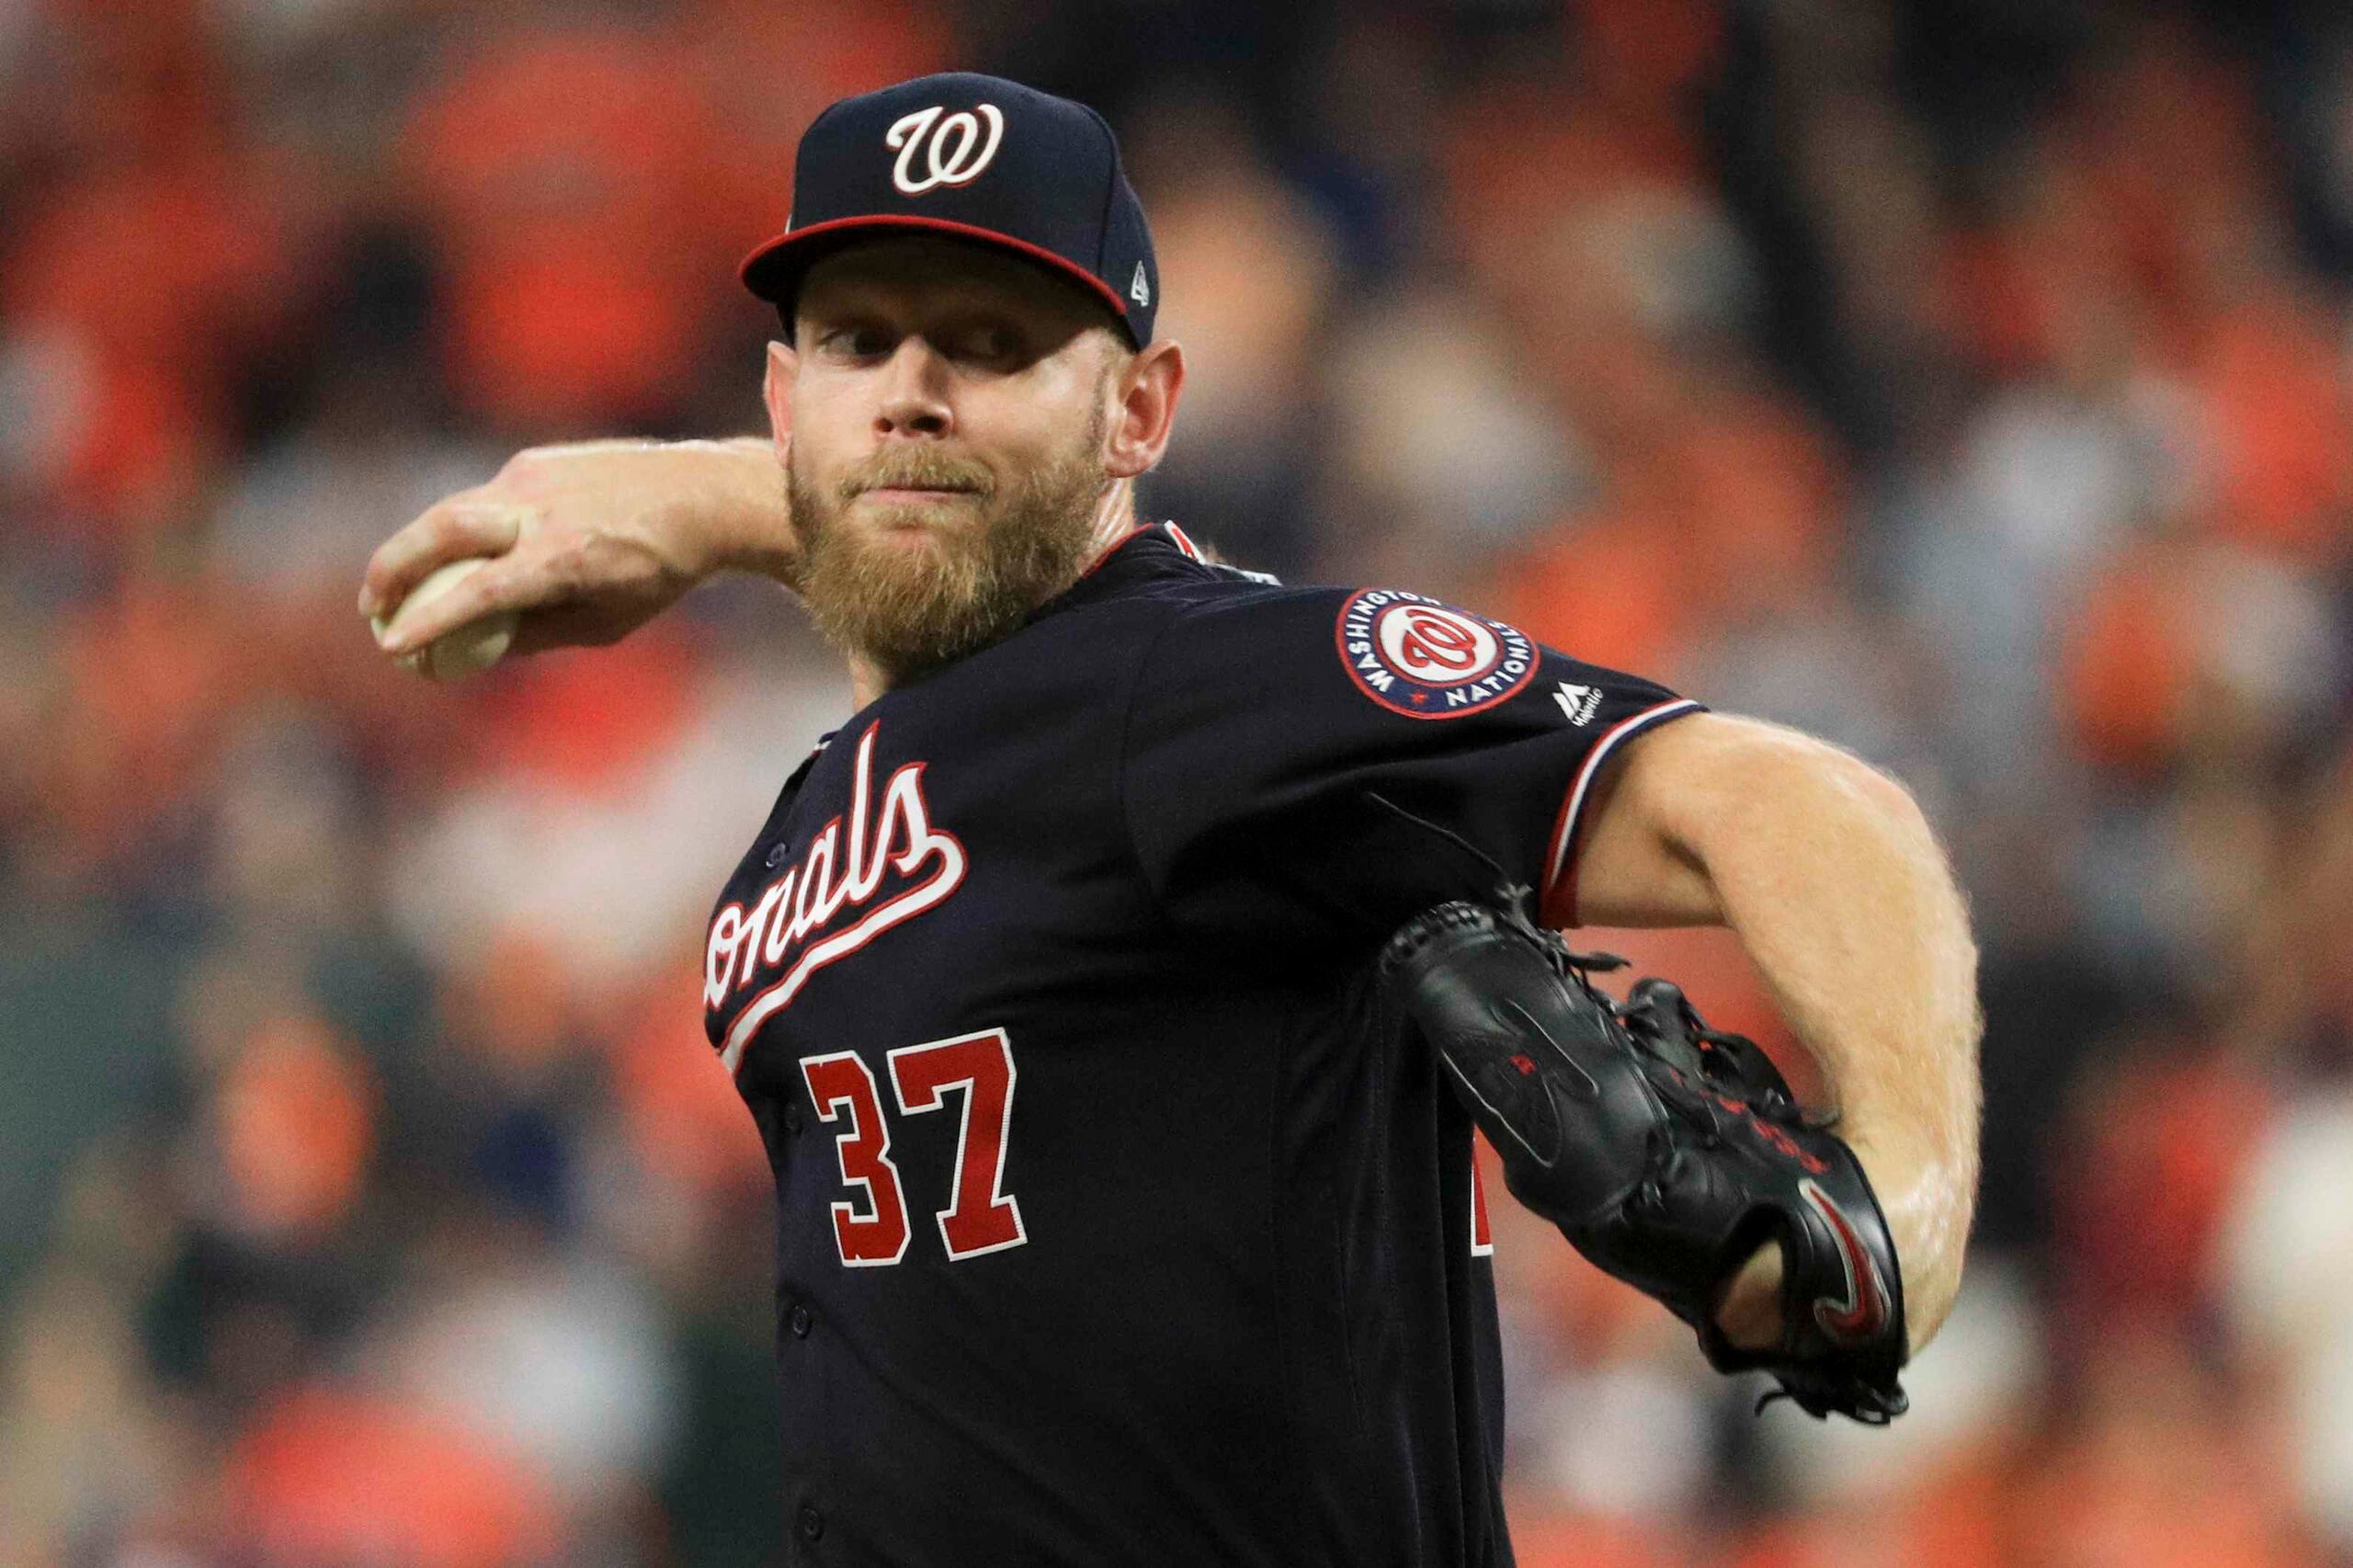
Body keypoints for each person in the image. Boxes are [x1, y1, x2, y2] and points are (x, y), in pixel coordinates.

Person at [358, 72, 1980, 1568]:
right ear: (787, 399)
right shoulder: (815, 812)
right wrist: (712, 511)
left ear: (1140, 412)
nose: (915, 393)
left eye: (995, 344)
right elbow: (909, 548)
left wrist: (1906, 1199)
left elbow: (1784, 798)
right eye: (860, 341)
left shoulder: (1210, 683)